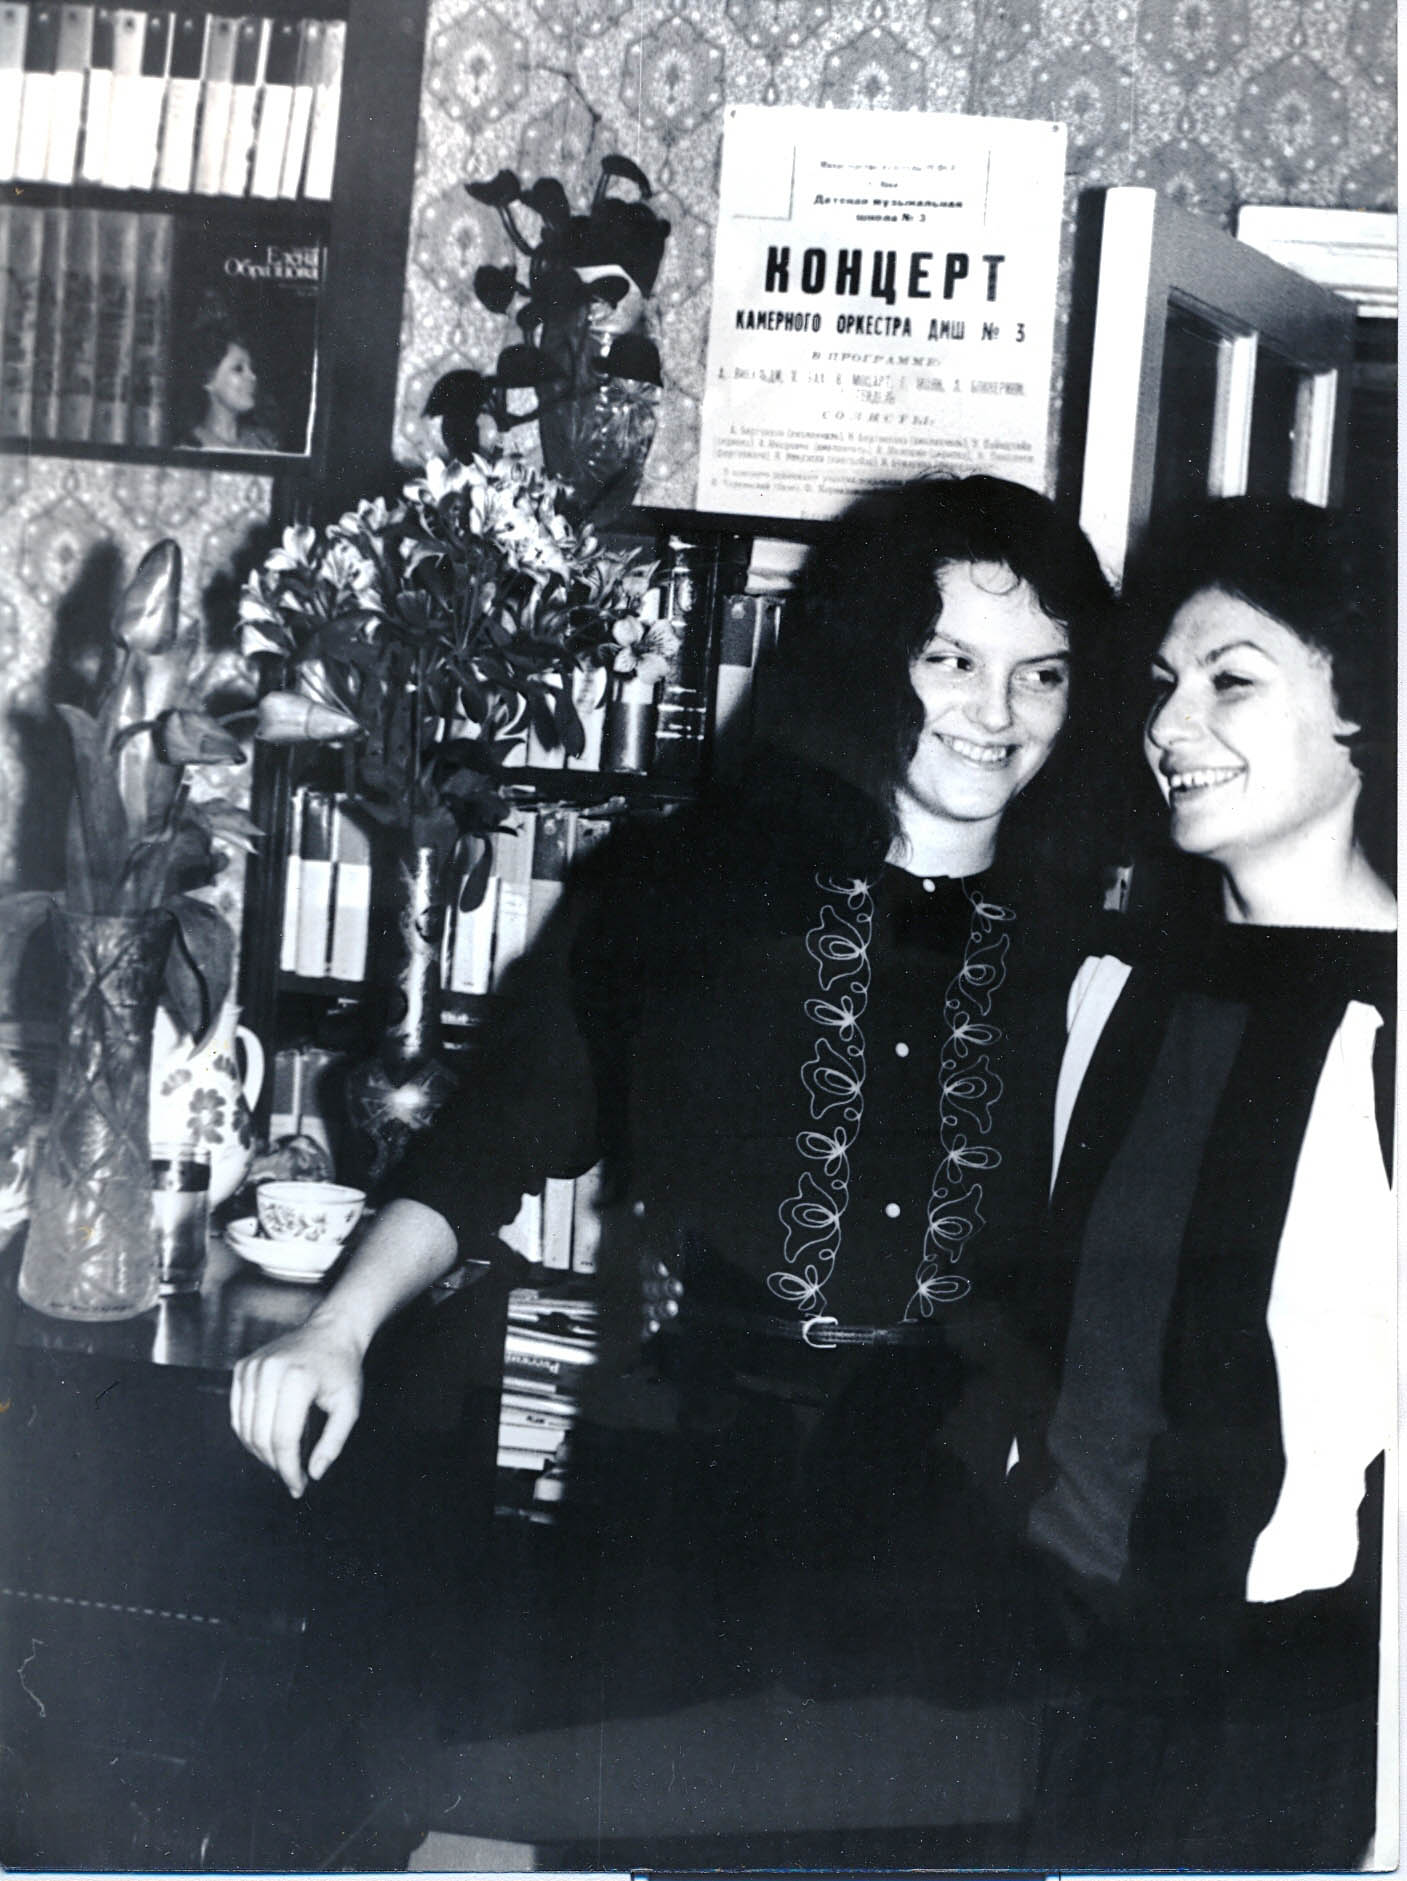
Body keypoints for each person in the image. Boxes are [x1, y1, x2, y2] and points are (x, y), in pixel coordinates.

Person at [230, 474, 1115, 1845]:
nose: (993, 714)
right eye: (948, 660)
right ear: (867, 661)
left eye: (1039, 674)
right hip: (690, 1511)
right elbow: (491, 1136)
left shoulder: (1100, 946)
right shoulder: (683, 892)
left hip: (959, 1535)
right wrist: (336, 1327)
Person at [1009, 497, 1396, 1870]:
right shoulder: (1110, 989)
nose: (1169, 726)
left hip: (1283, 1716)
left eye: (1232, 681)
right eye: (1163, 684)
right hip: (1051, 1674)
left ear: (1363, 711)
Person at [180, 326, 280, 451]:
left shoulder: (264, 444)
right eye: (238, 368)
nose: (252, 377)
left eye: (251, 368)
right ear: (207, 379)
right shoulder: (191, 447)